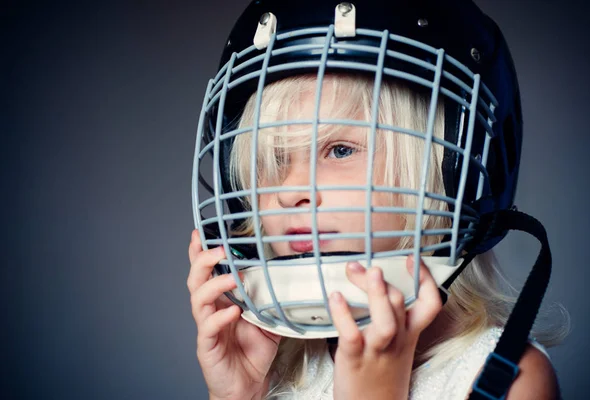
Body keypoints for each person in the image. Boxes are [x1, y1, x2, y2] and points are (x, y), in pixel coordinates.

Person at [188, 1, 568, 399]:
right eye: (277, 159)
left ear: (450, 170)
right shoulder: (277, 362)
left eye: (340, 150)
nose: (288, 191)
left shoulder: (509, 381)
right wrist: (237, 396)